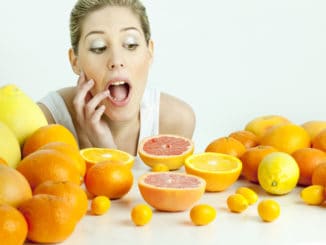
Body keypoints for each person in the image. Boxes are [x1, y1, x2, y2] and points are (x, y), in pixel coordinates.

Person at [38, 0, 195, 156]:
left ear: (150, 52)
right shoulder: (44, 121)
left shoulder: (176, 123)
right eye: (98, 47)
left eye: (131, 45)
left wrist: (107, 150)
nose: (116, 60)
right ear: (75, 61)